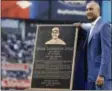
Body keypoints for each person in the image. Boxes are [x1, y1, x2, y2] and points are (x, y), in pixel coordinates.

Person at [74, 1, 111, 90]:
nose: (88, 11)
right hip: (90, 76)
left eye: (91, 9)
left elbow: (107, 52)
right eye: (86, 9)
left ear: (98, 11)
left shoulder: (104, 26)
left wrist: (102, 74)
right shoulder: (91, 28)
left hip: (101, 77)